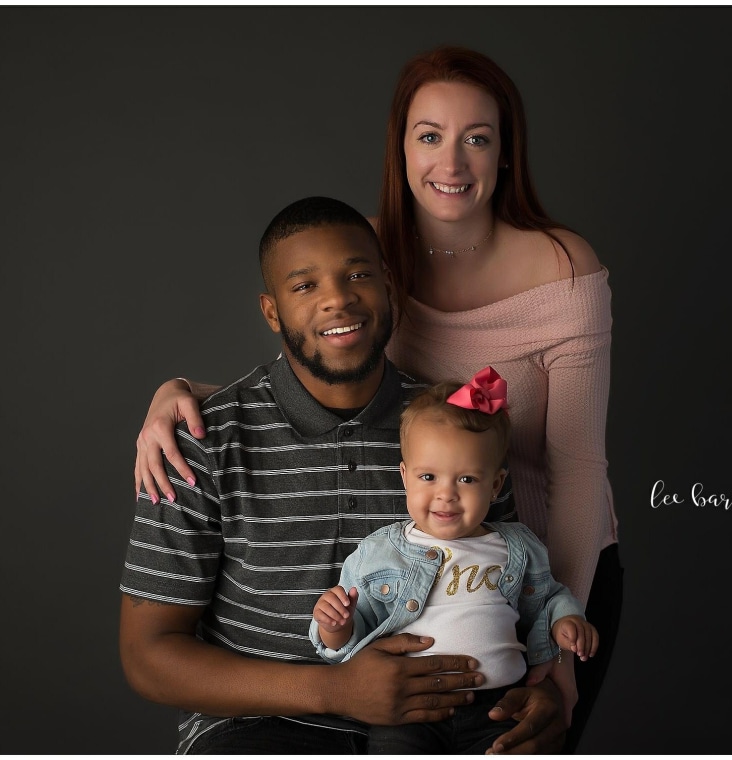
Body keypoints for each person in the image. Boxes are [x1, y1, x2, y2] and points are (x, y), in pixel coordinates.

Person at [134, 45, 622, 752]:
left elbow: (578, 467)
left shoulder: (563, 267)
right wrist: (181, 396)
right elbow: (320, 367)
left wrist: (556, 660)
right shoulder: (369, 252)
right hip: (418, 558)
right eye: (429, 136)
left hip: (545, 567)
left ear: (506, 153)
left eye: (476, 139)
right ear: (401, 147)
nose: (451, 164)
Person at [121, 195, 567, 755]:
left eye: (357, 274)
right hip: (254, 729)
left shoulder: (452, 430)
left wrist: (542, 691)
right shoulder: (199, 441)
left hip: (439, 723)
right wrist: (336, 689)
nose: (337, 298)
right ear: (271, 311)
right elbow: (149, 654)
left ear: (388, 289)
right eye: (305, 285)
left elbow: (509, 588)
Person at [310, 369, 599, 754]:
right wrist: (334, 626)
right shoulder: (381, 552)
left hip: (497, 706)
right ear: (405, 477)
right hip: (409, 713)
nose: (446, 496)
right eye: (428, 476)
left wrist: (566, 621)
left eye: (466, 480)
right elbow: (354, 634)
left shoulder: (515, 547)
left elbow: (546, 599)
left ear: (495, 485)